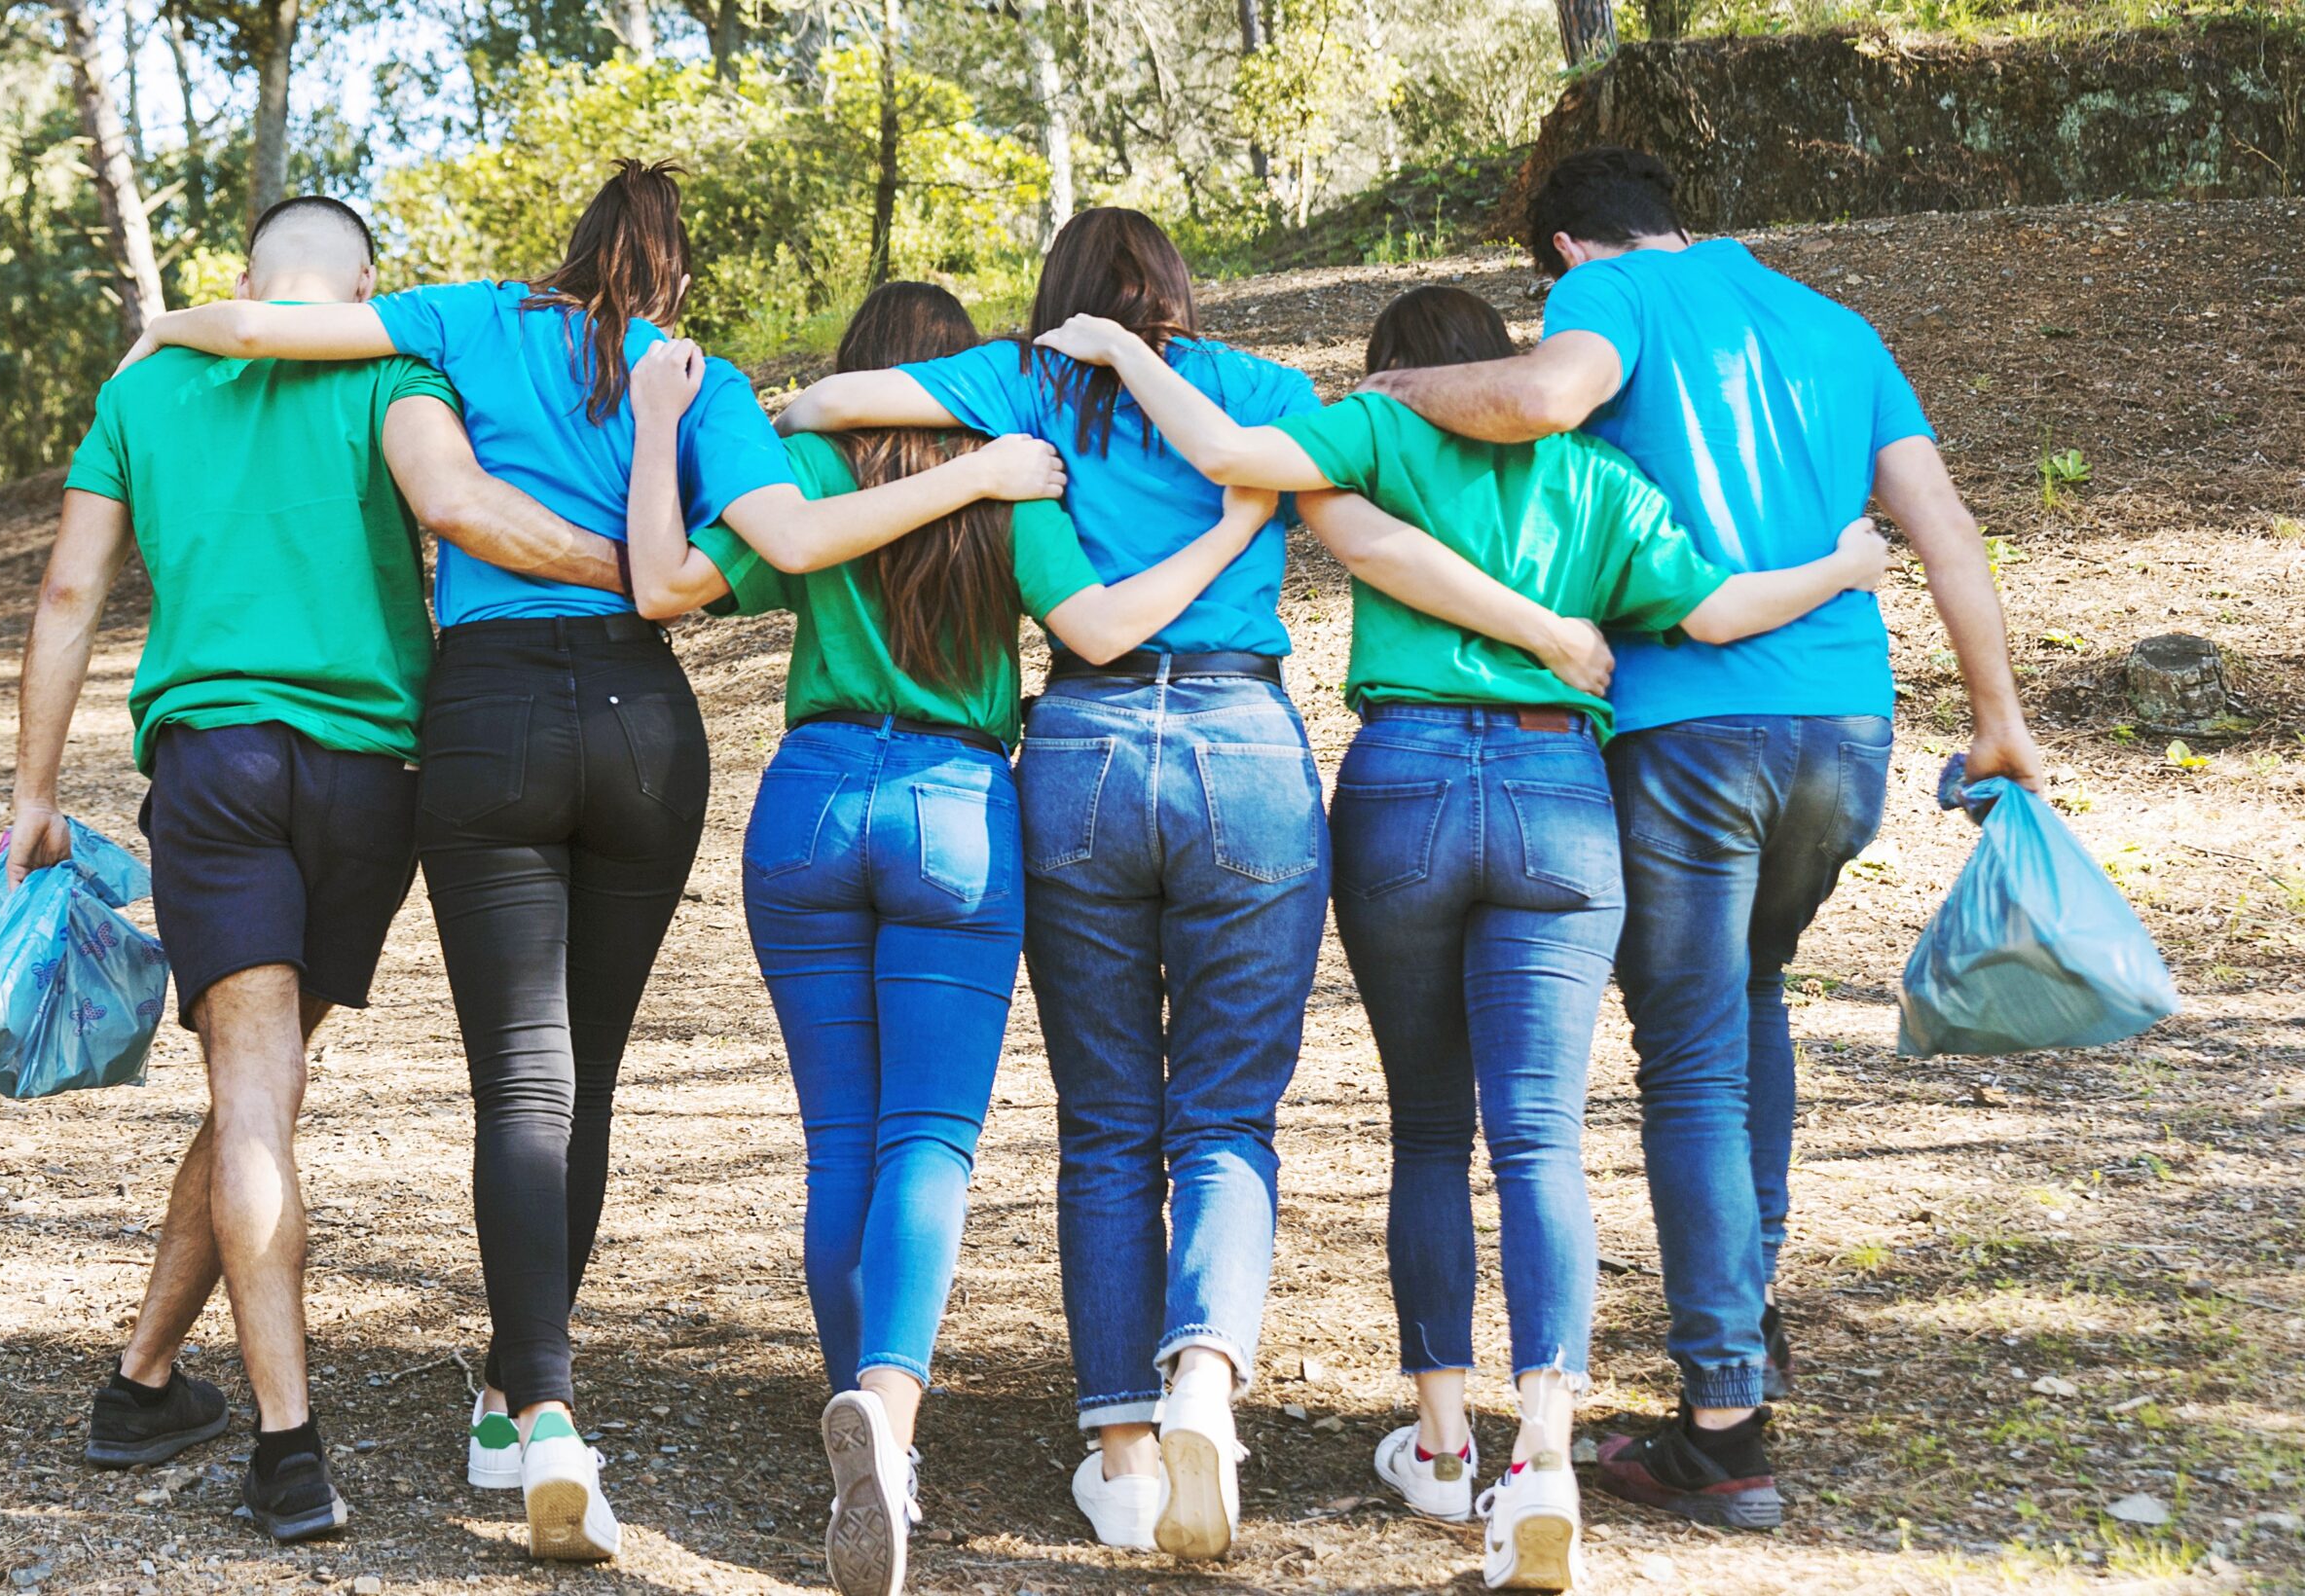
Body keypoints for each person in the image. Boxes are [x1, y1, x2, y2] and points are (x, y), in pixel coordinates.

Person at [122, 162, 1064, 1561]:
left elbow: (271, 333)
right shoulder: (700, 376)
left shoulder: (465, 319)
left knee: (524, 1081)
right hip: (641, 727)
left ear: (566, 251)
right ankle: (512, 1397)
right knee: (594, 1074)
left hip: (486, 714)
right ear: (674, 276)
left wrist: (164, 329)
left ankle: (544, 1417)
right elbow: (729, 564)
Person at [1033, 281, 1889, 1589]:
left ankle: (1440, 1444)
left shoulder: (1381, 429)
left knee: (1430, 1125)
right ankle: (1541, 1455)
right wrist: (1841, 565)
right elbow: (1714, 615)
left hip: (1406, 786)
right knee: (1541, 1133)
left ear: (1406, 375)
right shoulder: (1598, 478)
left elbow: (1226, 456)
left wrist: (1114, 350)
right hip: (1560, 799)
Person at [1353, 148, 2045, 1528]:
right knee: (1750, 992)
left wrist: (1394, 390)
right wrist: (1999, 716)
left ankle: (1724, 1416)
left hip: (1687, 734)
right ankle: (1752, 1302)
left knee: (1689, 1063)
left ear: (1568, 249)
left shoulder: (1610, 302)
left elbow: (1543, 399)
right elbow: (1946, 527)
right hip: (1844, 727)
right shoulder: (1836, 326)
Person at [626, 280, 1277, 1596]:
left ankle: (859, 1436)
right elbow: (1096, 630)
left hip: (808, 801)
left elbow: (681, 586)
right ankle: (892, 1415)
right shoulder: (1010, 483)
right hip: (954, 812)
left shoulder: (807, 466)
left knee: (838, 1140)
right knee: (930, 1138)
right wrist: (1230, 536)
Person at [17, 196, 632, 1543]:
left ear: (246, 279)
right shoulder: (387, 367)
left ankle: (258, 1434)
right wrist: (639, 570)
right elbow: (463, 509)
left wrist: (34, 791)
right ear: (365, 282)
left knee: (253, 1095)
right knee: (268, 1090)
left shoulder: (151, 386)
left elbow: (68, 594)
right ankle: (180, 1400)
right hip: (371, 776)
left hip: (216, 766)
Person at [778, 208, 1325, 1562]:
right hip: (1241, 744)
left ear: (1058, 304)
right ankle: (1204, 1377)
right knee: (1225, 1116)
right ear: (1181, 293)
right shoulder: (1262, 391)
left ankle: (1118, 1455)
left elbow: (824, 403)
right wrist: (1233, 524)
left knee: (1098, 1119)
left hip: (1061, 758)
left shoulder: (1021, 385)